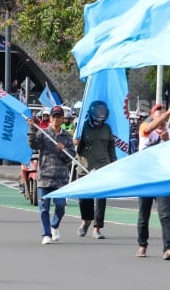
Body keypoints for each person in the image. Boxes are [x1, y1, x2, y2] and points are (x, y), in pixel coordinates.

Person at [136, 103, 170, 260]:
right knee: (143, 215)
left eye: (164, 116)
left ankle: (168, 249)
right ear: (152, 115)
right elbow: (149, 128)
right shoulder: (145, 128)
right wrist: (168, 112)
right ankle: (142, 245)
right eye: (158, 114)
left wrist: (167, 141)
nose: (162, 118)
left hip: (163, 180)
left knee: (165, 215)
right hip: (146, 179)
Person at [27, 105, 74, 244]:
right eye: (53, 116)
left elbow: (71, 156)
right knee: (43, 208)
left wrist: (63, 149)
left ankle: (54, 225)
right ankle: (46, 234)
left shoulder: (66, 136)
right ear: (50, 118)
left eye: (58, 116)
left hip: (61, 178)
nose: (55, 119)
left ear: (62, 119)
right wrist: (32, 129)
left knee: (60, 206)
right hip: (44, 176)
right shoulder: (44, 133)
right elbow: (33, 145)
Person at [75, 100, 116, 240]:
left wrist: (114, 165)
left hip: (102, 167)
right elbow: (76, 150)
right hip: (84, 168)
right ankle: (85, 221)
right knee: (84, 198)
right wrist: (76, 142)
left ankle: (97, 228)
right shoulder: (82, 128)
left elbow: (111, 149)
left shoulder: (107, 129)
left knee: (101, 199)